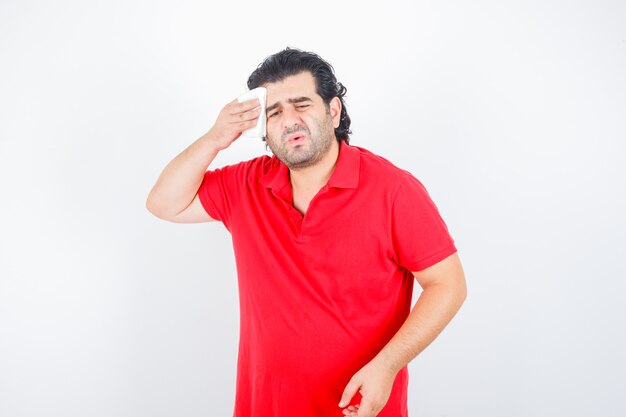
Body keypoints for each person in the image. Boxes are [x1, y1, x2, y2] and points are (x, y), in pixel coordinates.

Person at [146, 47, 467, 417]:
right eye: (275, 112)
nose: (289, 121)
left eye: (302, 105)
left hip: (357, 407)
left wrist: (388, 365)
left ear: (333, 111)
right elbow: (163, 203)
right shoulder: (248, 184)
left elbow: (449, 285)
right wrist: (215, 138)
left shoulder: (393, 190)